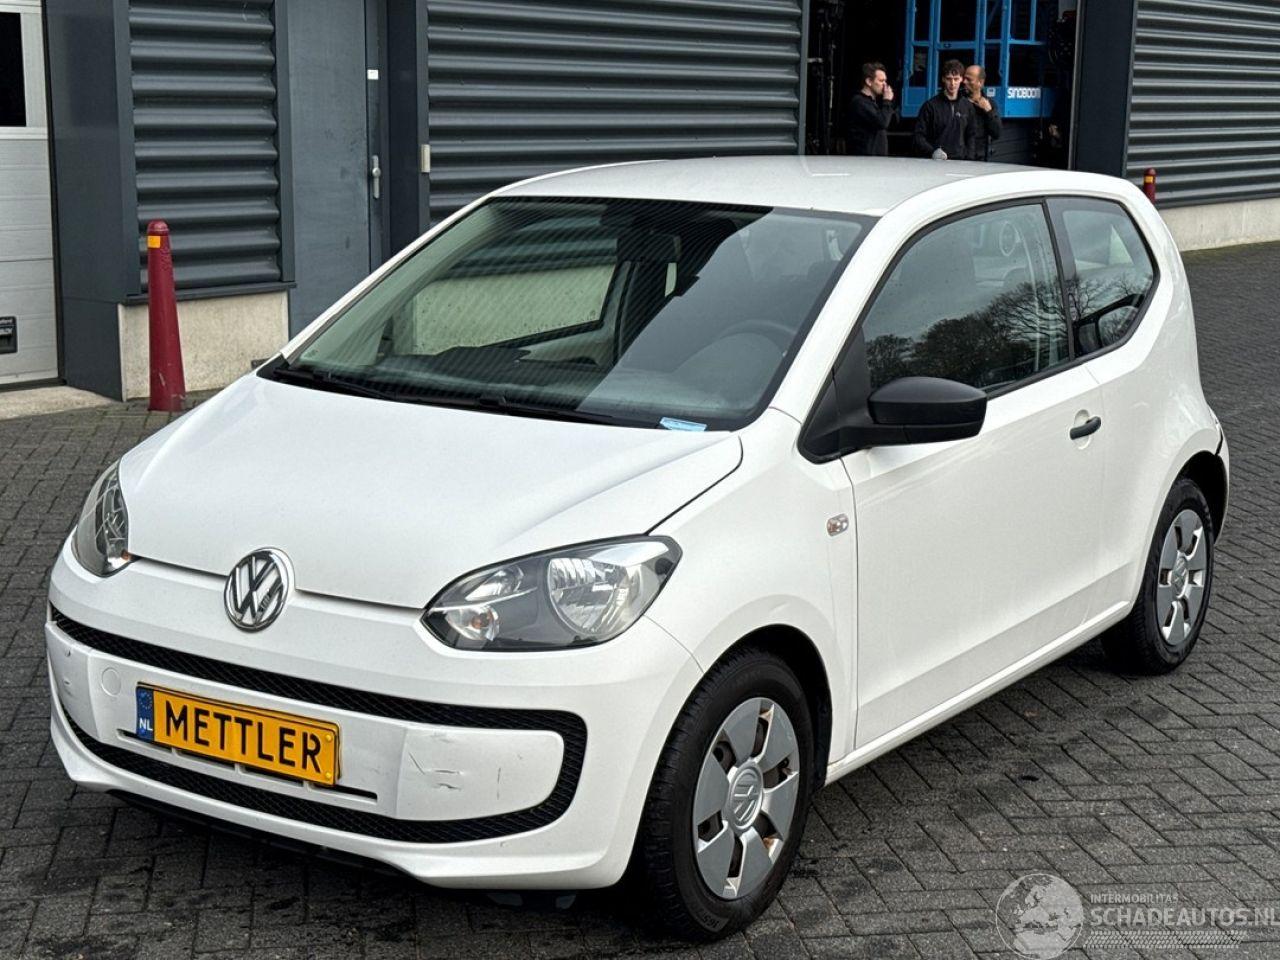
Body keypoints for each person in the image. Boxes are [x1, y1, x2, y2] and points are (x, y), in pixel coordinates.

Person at [913, 59, 977, 161]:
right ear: (943, 79)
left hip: (961, 162)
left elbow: (971, 135)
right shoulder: (930, 106)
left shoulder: (968, 106)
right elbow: (918, 136)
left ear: (961, 79)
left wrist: (969, 157)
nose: (952, 83)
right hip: (937, 162)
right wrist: (932, 152)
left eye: (956, 79)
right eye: (949, 79)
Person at [847, 62, 896, 157]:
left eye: (885, 81)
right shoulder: (859, 102)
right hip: (865, 160)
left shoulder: (872, 103)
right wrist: (887, 101)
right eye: (881, 81)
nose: (885, 85)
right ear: (869, 81)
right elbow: (882, 122)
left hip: (875, 159)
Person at [964, 64, 1002, 161]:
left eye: (969, 79)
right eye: (964, 78)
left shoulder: (990, 104)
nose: (964, 82)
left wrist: (989, 111)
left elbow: (997, 133)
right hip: (959, 158)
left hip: (980, 160)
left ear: (980, 82)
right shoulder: (958, 102)